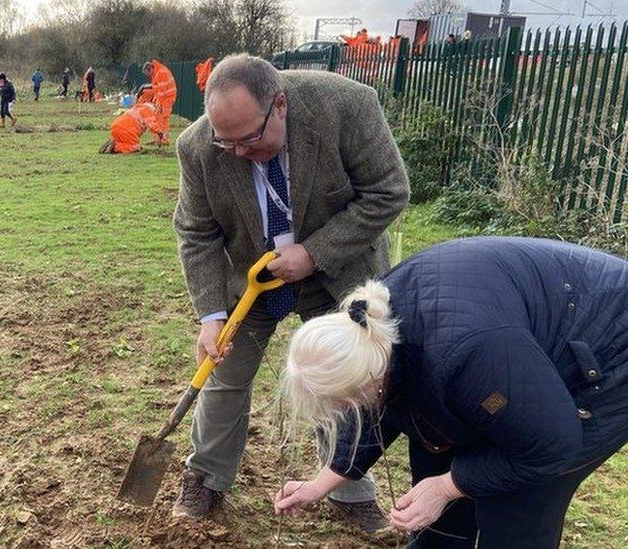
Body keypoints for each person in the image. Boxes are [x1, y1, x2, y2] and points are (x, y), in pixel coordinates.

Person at [171, 53, 409, 528]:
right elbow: (196, 232)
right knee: (224, 372)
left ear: (279, 105)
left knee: (344, 379)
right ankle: (206, 478)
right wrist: (211, 315)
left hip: (336, 271)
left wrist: (314, 252)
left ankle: (349, 490)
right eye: (226, 142)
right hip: (251, 277)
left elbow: (389, 190)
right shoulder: (198, 147)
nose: (237, 152)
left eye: (250, 140)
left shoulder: (346, 106)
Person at [274, 236, 628, 548]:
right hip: (507, 353)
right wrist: (324, 481)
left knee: (515, 501)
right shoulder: (371, 330)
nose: (351, 410)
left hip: (607, 348)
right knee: (436, 455)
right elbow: (376, 406)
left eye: (347, 402)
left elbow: (552, 442)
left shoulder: (464, 354)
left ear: (371, 376)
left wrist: (449, 486)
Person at [143, 60, 176, 145]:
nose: (148, 76)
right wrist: (155, 100)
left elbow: (162, 90)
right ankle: (157, 139)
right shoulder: (157, 73)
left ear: (150, 69)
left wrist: (158, 103)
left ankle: (164, 140)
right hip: (163, 98)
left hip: (167, 98)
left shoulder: (161, 73)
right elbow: (157, 89)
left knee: (164, 119)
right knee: (157, 118)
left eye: (148, 74)